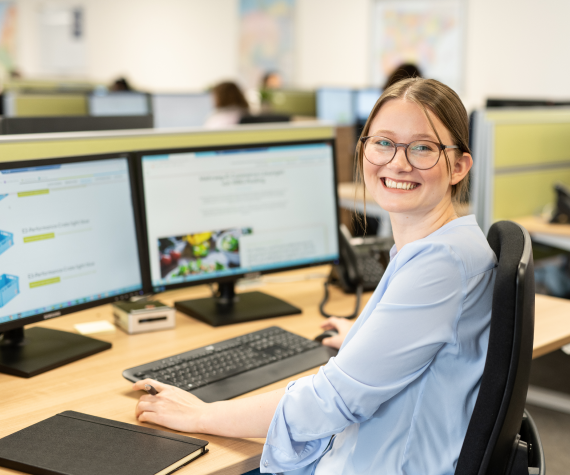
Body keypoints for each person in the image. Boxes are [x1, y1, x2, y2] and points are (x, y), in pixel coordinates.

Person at [133, 78, 497, 474]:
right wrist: (364, 336)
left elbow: (330, 400)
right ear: (363, 150)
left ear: (459, 166)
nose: (397, 162)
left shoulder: (441, 263)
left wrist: (201, 415)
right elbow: (430, 336)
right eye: (383, 142)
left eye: (423, 147)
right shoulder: (449, 243)